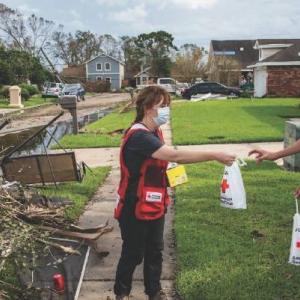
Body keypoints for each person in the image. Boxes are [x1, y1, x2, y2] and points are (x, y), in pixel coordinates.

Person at [114, 86, 236, 300]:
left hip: (155, 204)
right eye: (163, 106)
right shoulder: (139, 136)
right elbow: (174, 155)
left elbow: (165, 161)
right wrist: (215, 154)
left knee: (155, 252)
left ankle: (154, 292)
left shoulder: (154, 132)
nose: (167, 110)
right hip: (133, 207)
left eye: (168, 105)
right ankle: (121, 293)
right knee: (133, 254)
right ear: (148, 108)